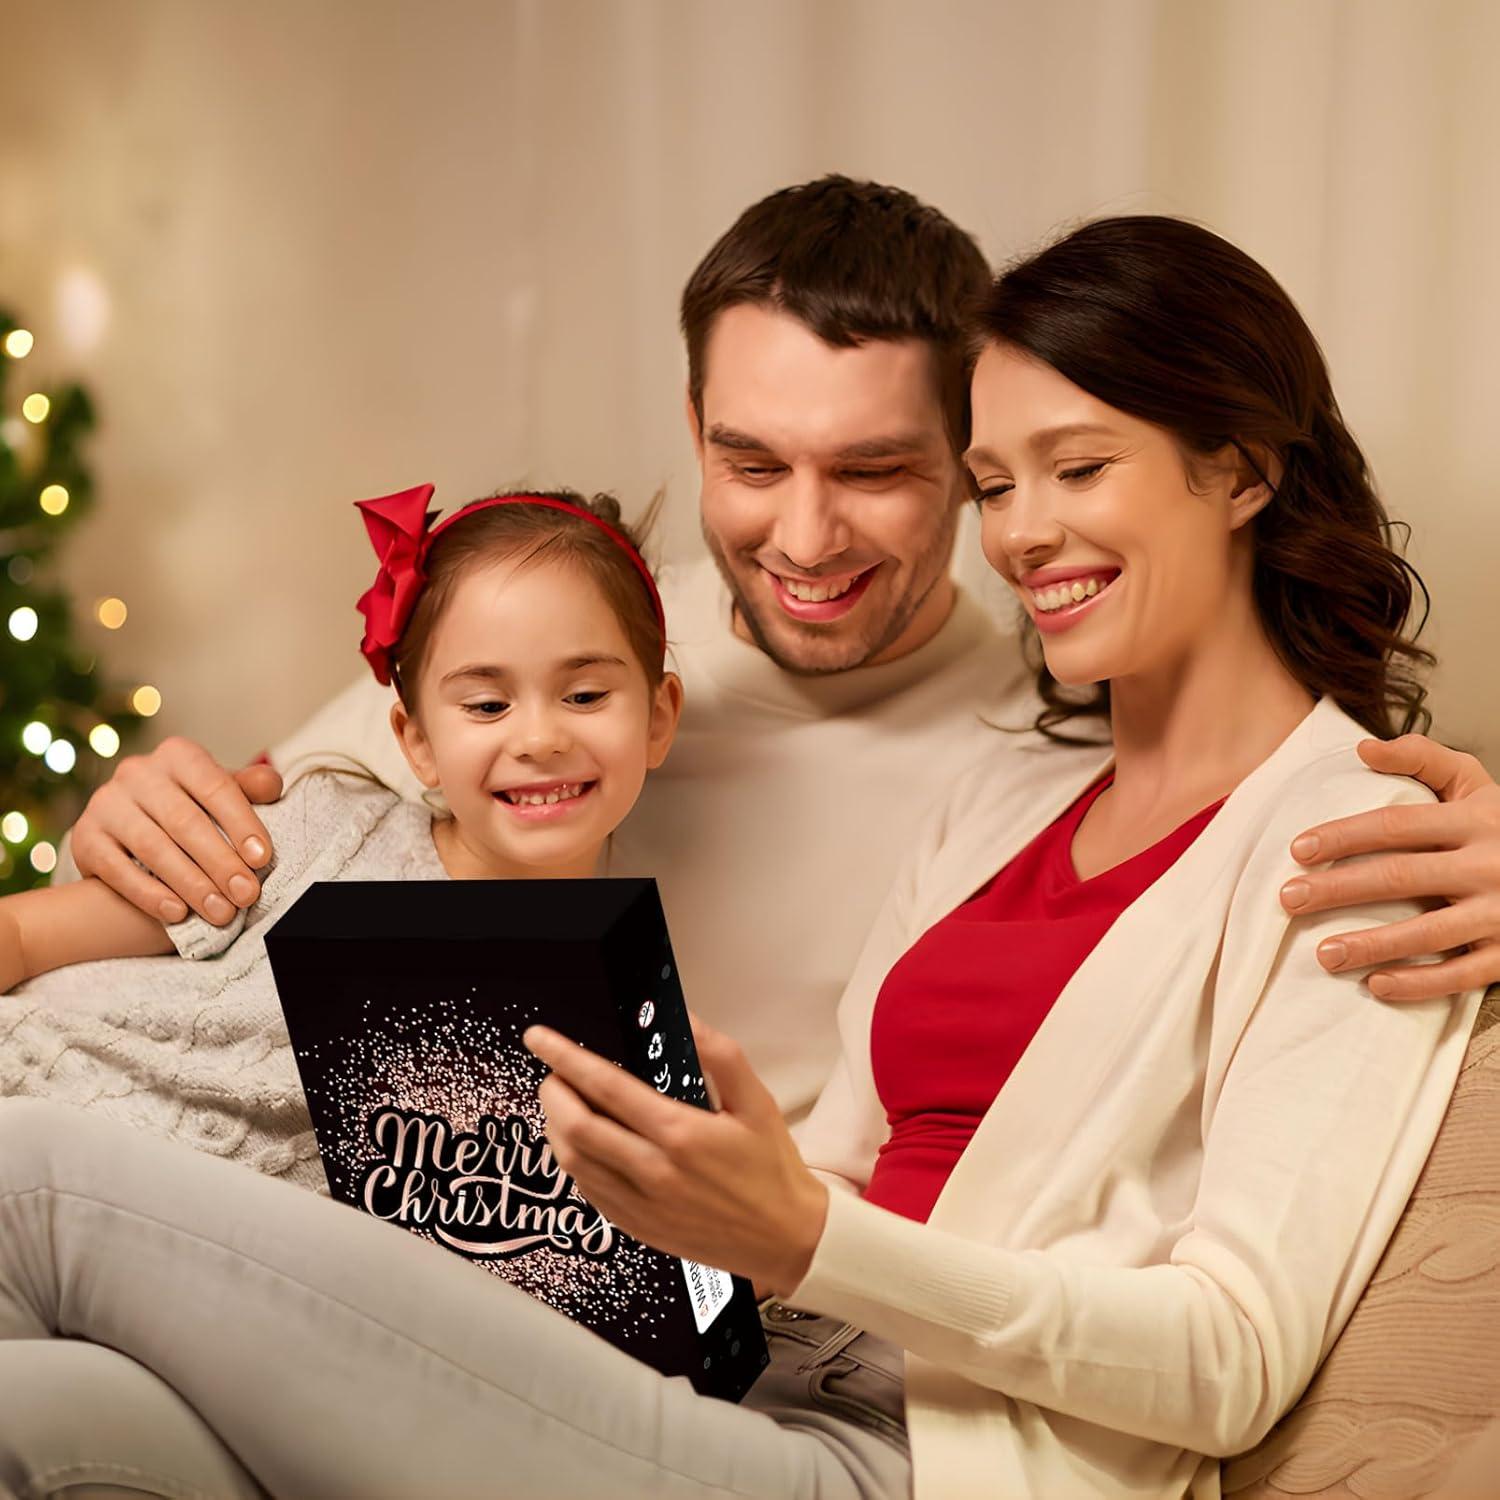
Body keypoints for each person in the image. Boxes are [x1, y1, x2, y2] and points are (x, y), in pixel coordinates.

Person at [0, 216, 1483, 1500]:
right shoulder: (998, 790)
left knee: (41, 1180)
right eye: (999, 485)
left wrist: (808, 1235)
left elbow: (1228, 1362)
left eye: (1076, 469)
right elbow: (347, 797)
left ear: (1239, 476)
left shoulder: (1373, 842)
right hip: (731, 1371)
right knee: (50, 1419)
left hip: (912, 1457)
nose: (1025, 535)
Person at [52, 180, 1500, 1136]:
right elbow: (259, 863)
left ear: (972, 465)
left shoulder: (1058, 734)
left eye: (877, 468)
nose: (804, 537)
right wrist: (122, 829)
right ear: (694, 432)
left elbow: (1274, 816)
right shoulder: (565, 640)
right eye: (752, 460)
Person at [0, 486, 683, 1186]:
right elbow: (24, 934)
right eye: (487, 705)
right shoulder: (321, 832)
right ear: (416, 741)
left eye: (586, 696)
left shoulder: (619, 1012)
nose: (540, 739)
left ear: (659, 718)